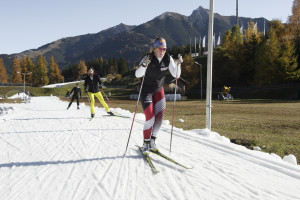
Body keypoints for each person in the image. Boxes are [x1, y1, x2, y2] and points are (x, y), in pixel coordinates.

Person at [135, 37, 183, 155]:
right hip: (146, 91)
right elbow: (137, 74)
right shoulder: (148, 58)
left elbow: (176, 75)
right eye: (160, 48)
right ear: (155, 49)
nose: (162, 51)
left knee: (160, 117)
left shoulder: (168, 58)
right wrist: (143, 66)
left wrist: (178, 64)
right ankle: (145, 143)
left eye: (164, 49)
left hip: (158, 90)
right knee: (150, 118)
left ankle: (152, 141)